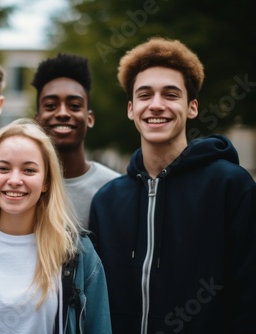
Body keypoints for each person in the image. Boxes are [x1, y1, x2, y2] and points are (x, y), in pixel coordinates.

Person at [90, 37, 256, 333]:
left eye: (170, 94)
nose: (156, 105)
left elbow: (249, 297)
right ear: (131, 109)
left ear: (192, 107)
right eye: (145, 95)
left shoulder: (231, 187)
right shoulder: (107, 201)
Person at [0, 118, 112, 333]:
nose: (15, 180)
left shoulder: (78, 253)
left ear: (46, 181)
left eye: (29, 170)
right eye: (3, 168)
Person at [31, 53, 120, 229]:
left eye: (74, 106)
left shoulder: (114, 189)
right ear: (37, 120)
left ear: (90, 118)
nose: (63, 113)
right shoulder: (19, 185)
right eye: (50, 106)